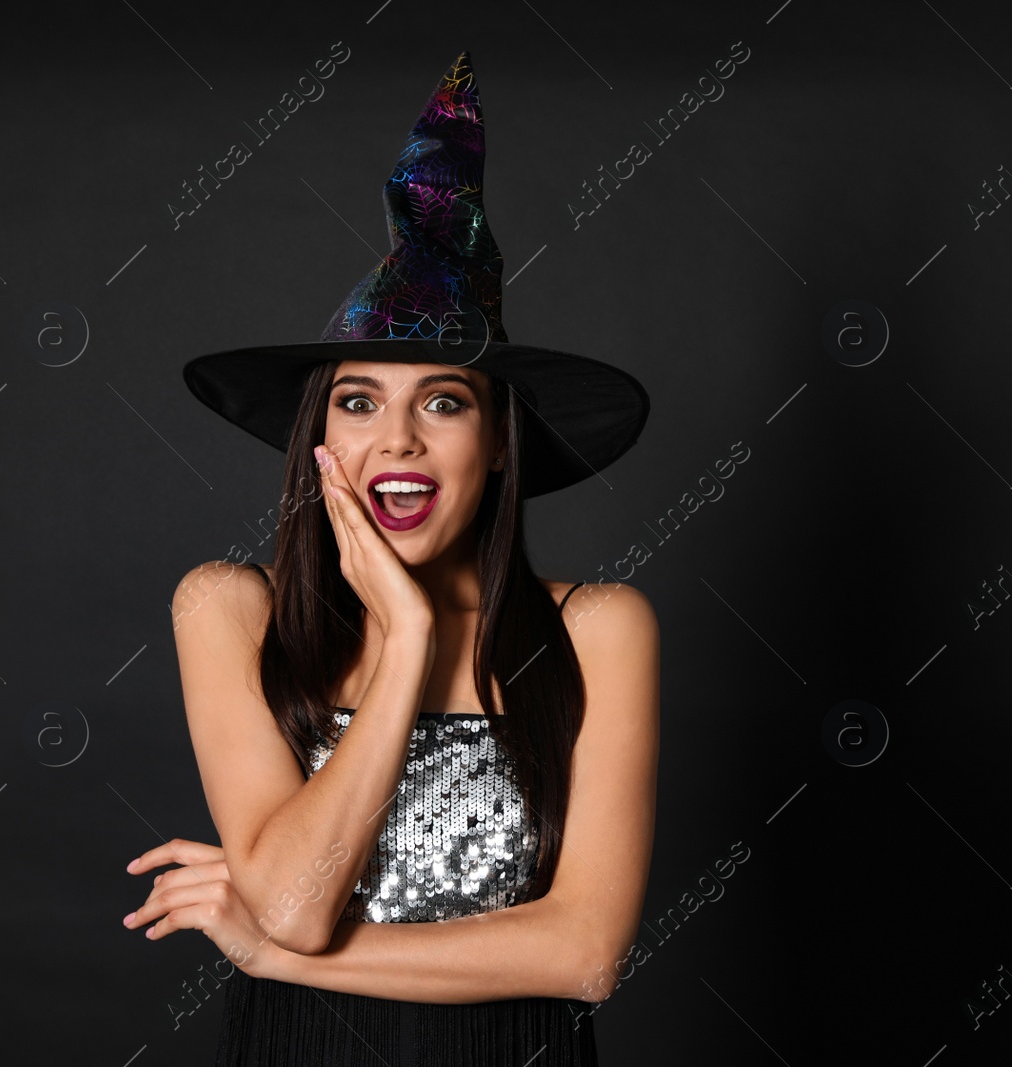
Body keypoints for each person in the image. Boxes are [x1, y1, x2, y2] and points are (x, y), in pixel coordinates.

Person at [120, 52, 657, 1066]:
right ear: (318, 440)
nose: (397, 439)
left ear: (499, 441)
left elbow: (584, 955)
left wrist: (281, 956)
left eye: (442, 401)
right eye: (358, 400)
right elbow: (292, 898)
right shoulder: (226, 606)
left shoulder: (598, 626)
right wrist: (406, 636)